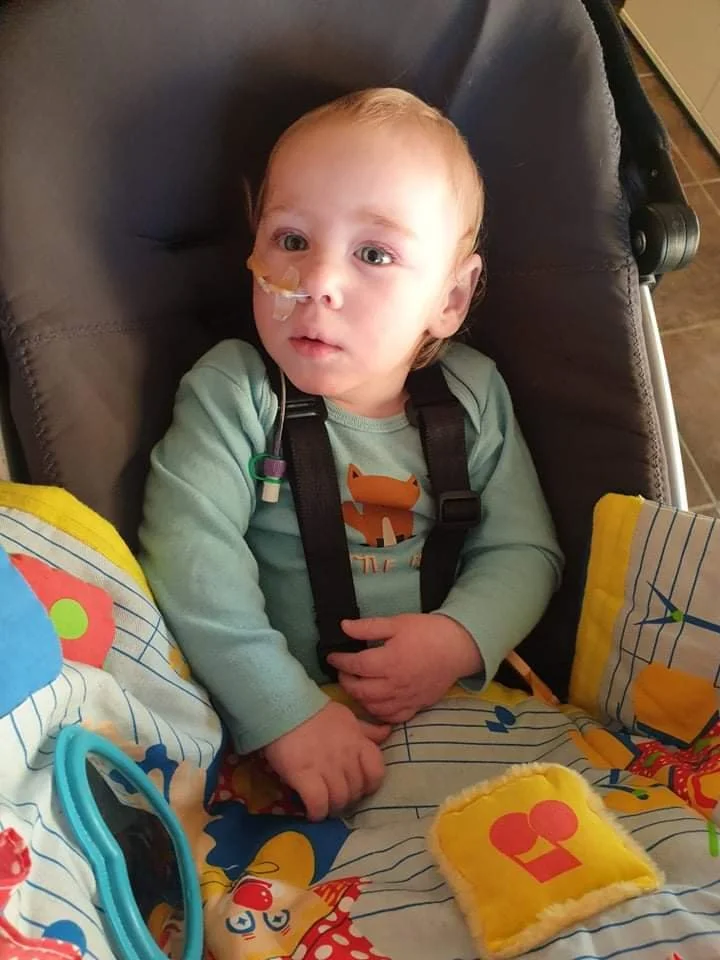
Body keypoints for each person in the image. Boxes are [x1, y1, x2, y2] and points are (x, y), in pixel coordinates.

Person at [138, 87, 563, 822]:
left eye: (373, 253)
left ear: (451, 299)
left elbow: (526, 549)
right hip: (279, 726)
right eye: (292, 240)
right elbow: (189, 560)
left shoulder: (472, 394)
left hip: (457, 716)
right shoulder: (236, 393)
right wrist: (284, 710)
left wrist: (461, 639)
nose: (317, 284)